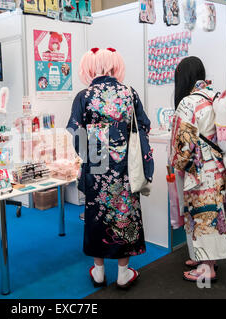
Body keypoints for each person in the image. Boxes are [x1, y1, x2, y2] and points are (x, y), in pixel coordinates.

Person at [67, 48, 152, 289]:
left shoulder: (84, 95)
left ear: (90, 68)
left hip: (98, 165)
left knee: (97, 216)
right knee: (124, 215)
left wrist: (93, 156)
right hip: (125, 166)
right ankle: (124, 273)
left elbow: (75, 131)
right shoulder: (129, 92)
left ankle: (99, 272)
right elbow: (143, 125)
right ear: (115, 66)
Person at [170, 56, 226, 282]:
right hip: (221, 165)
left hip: (201, 169)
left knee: (204, 215)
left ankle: (206, 269)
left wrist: (178, 163)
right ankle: (205, 258)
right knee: (217, 212)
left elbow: (183, 143)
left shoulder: (188, 102)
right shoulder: (217, 95)